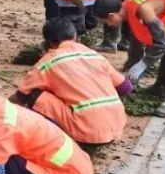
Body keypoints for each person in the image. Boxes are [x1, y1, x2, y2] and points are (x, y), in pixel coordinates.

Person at [12, 18, 131, 146]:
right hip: (117, 124)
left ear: (49, 42)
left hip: (85, 130)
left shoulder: (47, 62)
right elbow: (126, 87)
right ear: (75, 36)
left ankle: (51, 140)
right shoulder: (93, 55)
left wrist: (1, 109)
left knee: (34, 95)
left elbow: (20, 97)